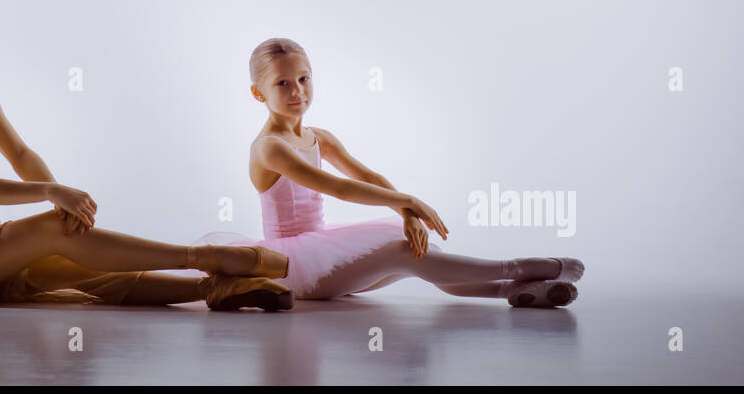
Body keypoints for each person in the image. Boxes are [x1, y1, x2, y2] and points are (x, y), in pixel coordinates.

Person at [0, 0, 292, 311]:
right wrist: (54, 193)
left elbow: (18, 153)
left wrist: (60, 204)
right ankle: (204, 257)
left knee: (76, 264)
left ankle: (215, 290)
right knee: (59, 236)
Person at [193, 37, 585, 307]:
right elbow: (340, 188)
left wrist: (407, 214)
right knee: (407, 253)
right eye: (282, 83)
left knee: (417, 254)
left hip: (320, 247)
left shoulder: (319, 136)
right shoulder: (270, 148)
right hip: (290, 266)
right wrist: (410, 201)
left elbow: (369, 177)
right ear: (258, 93)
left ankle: (514, 292)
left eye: (304, 79)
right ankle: (519, 268)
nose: (298, 91)